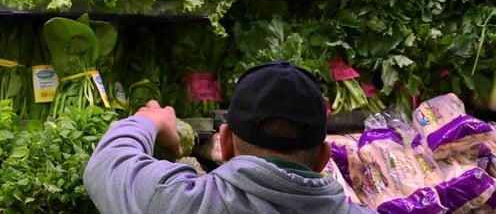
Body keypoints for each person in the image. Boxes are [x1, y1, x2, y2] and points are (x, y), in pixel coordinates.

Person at [84, 60, 375, 213]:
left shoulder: (177, 203)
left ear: (225, 143)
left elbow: (106, 164)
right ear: (323, 157)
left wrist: (148, 120)